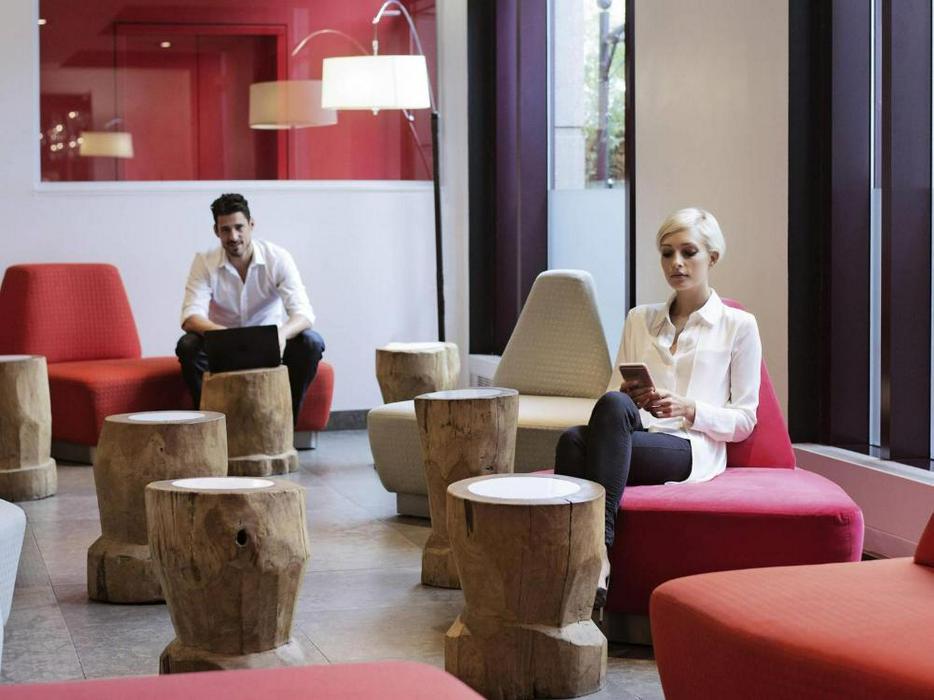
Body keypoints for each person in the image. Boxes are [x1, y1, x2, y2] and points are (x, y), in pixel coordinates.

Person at [555, 207, 762, 608]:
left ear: (712, 257)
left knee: (574, 447)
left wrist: (690, 409)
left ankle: (594, 554)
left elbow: (745, 420)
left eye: (688, 252)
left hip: (689, 446)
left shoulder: (739, 326)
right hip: (635, 432)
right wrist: (631, 396)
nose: (676, 263)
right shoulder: (640, 319)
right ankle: (585, 562)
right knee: (596, 418)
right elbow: (611, 395)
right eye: (667, 253)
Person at [176, 193, 325, 423]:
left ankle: (286, 424)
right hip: (222, 346)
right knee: (188, 346)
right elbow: (190, 316)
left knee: (311, 342)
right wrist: (225, 336)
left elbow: (304, 314)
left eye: (239, 228)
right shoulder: (204, 262)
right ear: (216, 231)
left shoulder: (277, 258)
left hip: (271, 347)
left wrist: (281, 335)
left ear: (251, 225)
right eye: (225, 230)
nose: (233, 236)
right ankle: (209, 424)